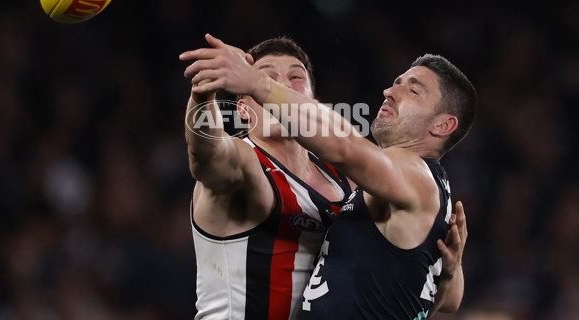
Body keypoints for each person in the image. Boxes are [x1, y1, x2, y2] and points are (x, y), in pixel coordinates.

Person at [180, 34, 474, 319]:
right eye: (267, 77)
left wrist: (447, 271)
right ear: (242, 109)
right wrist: (204, 95)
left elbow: (444, 298)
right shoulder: (244, 161)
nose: (280, 84)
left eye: (296, 78)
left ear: (312, 103)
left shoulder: (351, 181)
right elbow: (206, 156)